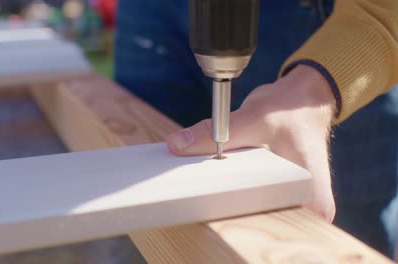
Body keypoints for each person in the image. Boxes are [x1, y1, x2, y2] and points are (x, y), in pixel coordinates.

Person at [114, 0, 398, 256]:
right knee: (150, 231)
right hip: (149, 8)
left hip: (329, 16)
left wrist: (313, 89)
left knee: (328, 240)